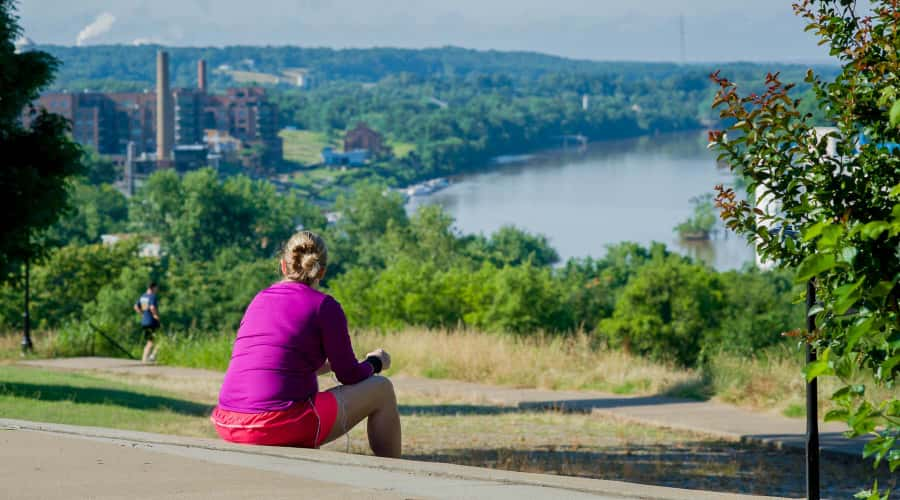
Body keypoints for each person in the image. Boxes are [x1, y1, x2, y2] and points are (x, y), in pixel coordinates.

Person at [211, 231, 401, 457]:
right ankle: (397, 476)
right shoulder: (325, 306)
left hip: (228, 422)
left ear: (283, 266)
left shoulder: (259, 299)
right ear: (322, 271)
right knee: (381, 388)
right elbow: (350, 375)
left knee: (306, 394)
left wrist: (331, 365)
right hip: (276, 425)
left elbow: (284, 365)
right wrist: (375, 362)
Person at [133, 282, 161, 363]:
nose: (157, 290)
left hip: (144, 321)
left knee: (150, 341)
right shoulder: (152, 296)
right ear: (153, 288)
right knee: (157, 341)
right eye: (156, 288)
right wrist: (156, 316)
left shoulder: (143, 296)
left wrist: (142, 314)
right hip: (152, 321)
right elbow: (152, 307)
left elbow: (135, 307)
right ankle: (152, 357)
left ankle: (144, 360)